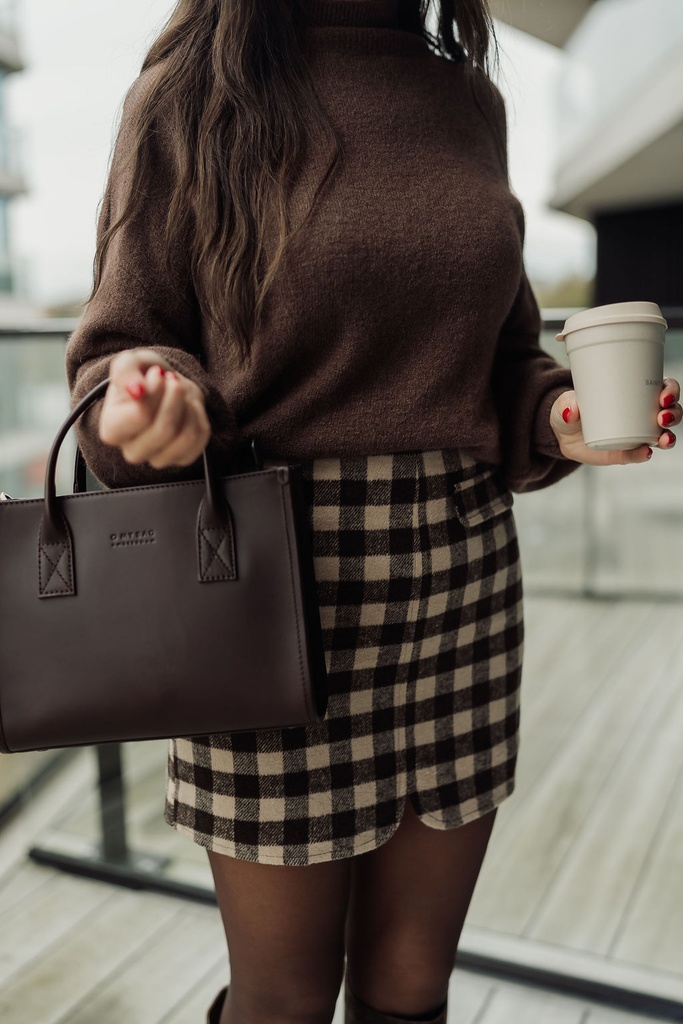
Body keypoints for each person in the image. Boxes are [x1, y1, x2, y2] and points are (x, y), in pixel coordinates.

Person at [64, 2, 680, 1022]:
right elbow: (121, 343)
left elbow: (501, 358)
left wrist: (559, 415)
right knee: (285, 1000)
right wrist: (156, 408)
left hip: (460, 583)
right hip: (265, 597)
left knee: (409, 991)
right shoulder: (185, 95)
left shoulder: (465, 100)